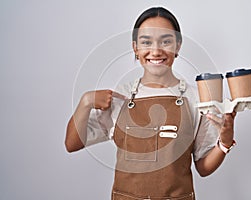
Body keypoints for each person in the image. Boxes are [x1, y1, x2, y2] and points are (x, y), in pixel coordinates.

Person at [65, 7, 236, 200]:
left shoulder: (197, 99)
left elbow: (203, 168)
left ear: (177, 46)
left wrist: (224, 143)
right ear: (135, 48)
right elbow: (72, 144)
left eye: (166, 41)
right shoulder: (119, 97)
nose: (156, 51)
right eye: (147, 42)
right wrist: (85, 102)